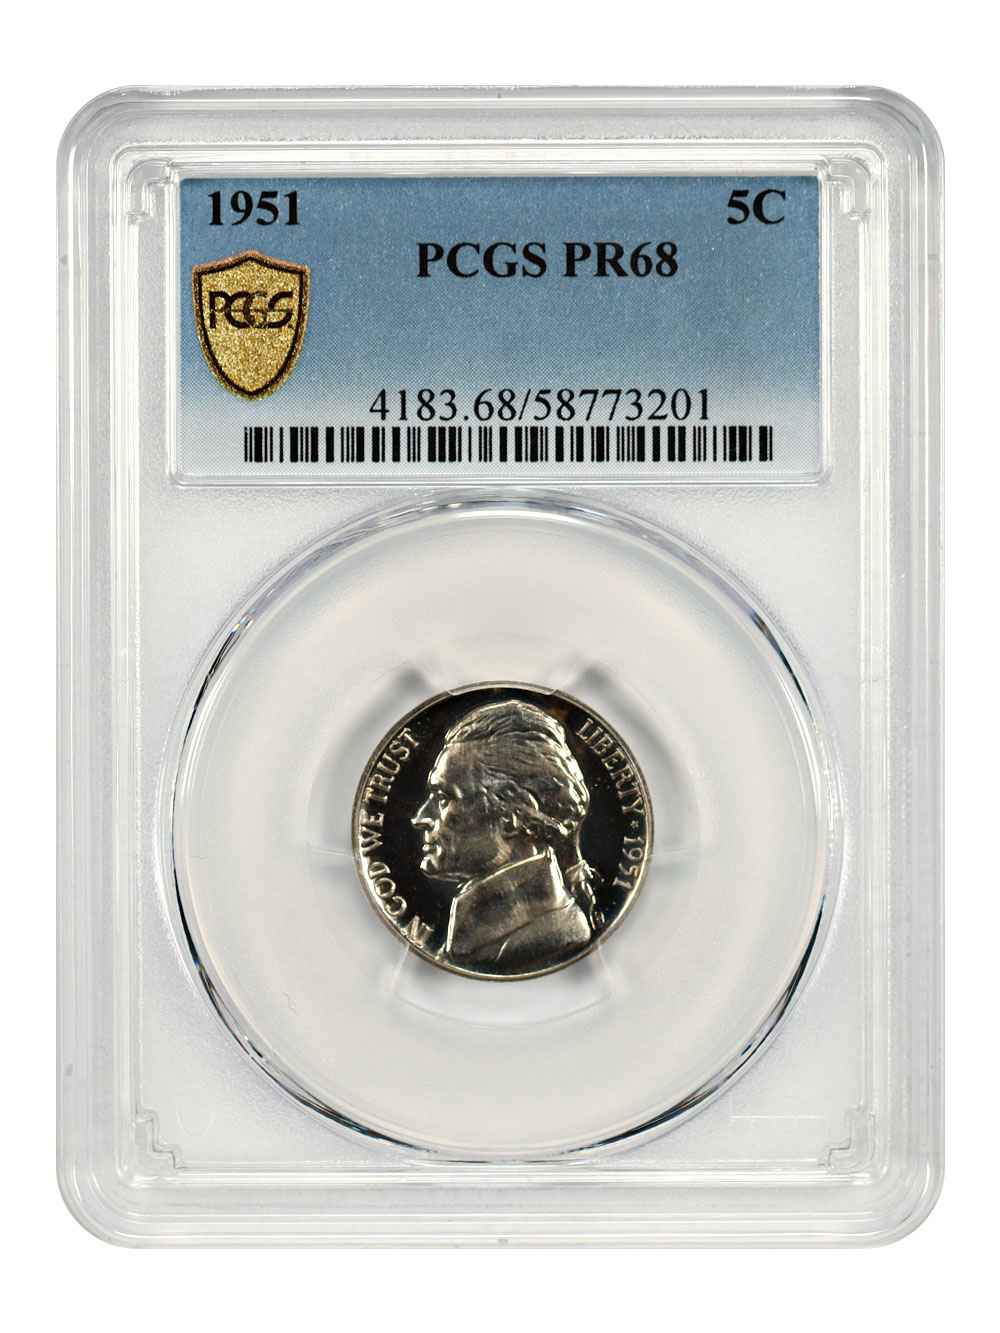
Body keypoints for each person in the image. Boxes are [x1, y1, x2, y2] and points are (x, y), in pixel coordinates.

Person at [411, 697, 601, 976]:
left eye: (443, 797)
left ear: (514, 815)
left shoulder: (548, 939)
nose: (420, 818)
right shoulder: (484, 940)